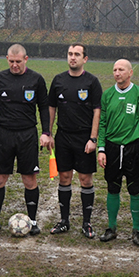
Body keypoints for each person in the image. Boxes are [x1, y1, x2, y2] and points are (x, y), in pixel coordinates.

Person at [0, 43, 50, 236]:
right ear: (7, 59)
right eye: (11, 61)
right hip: (4, 134)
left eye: (18, 61)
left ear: (26, 59)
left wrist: (46, 132)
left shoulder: (36, 79)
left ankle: (32, 220)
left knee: (29, 179)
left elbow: (44, 108)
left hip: (28, 135)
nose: (15, 65)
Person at [44, 43, 103, 238]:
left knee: (85, 180)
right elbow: (51, 107)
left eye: (77, 54)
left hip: (84, 138)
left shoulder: (92, 82)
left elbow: (97, 111)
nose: (73, 57)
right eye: (70, 54)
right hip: (63, 137)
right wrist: (48, 132)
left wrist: (93, 138)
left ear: (85, 59)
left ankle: (87, 223)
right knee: (64, 178)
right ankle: (64, 221)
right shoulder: (59, 80)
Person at [97, 59, 139, 246]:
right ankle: (112, 228)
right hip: (111, 149)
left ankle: (137, 230)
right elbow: (102, 124)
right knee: (113, 188)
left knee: (134, 189)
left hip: (133, 149)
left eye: (121, 69)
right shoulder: (107, 95)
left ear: (130, 73)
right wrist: (101, 149)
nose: (117, 73)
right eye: (114, 70)